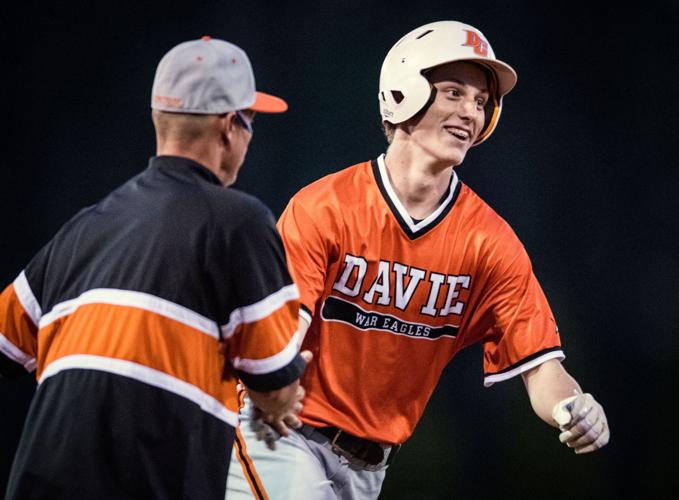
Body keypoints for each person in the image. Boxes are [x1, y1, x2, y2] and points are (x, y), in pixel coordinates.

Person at [225, 21, 610, 499]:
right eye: (453, 92)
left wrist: (573, 406)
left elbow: (542, 368)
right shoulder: (325, 207)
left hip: (370, 469)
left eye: (480, 102)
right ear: (403, 91)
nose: (470, 111)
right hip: (279, 433)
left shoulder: (489, 241)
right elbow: (279, 334)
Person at [0, 36, 310, 499]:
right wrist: (283, 389)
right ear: (229, 127)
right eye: (251, 124)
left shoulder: (83, 227)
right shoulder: (239, 222)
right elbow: (271, 382)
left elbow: (7, 342)